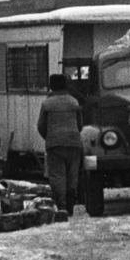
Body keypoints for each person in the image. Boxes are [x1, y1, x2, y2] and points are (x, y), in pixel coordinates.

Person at [36, 71, 84, 216]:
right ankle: (70, 206)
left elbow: (41, 126)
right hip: (74, 144)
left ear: (51, 86)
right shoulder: (74, 102)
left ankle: (61, 207)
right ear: (66, 85)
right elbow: (80, 125)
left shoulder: (46, 103)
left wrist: (50, 137)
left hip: (55, 145)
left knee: (58, 177)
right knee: (72, 175)